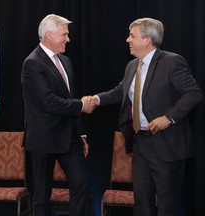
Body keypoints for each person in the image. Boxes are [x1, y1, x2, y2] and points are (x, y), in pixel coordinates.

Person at [89, 18, 203, 216]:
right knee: (141, 202)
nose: (127, 40)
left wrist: (168, 118)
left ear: (147, 40)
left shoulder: (172, 61)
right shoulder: (132, 65)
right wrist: (96, 99)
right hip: (140, 143)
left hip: (167, 145)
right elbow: (120, 91)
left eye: (132, 36)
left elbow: (193, 93)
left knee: (168, 205)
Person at [21, 14, 93, 216]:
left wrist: (82, 134)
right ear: (48, 35)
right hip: (43, 139)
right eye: (64, 34)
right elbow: (47, 101)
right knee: (41, 196)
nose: (68, 39)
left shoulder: (66, 61)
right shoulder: (32, 63)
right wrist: (81, 105)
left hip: (69, 137)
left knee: (81, 185)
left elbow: (70, 97)